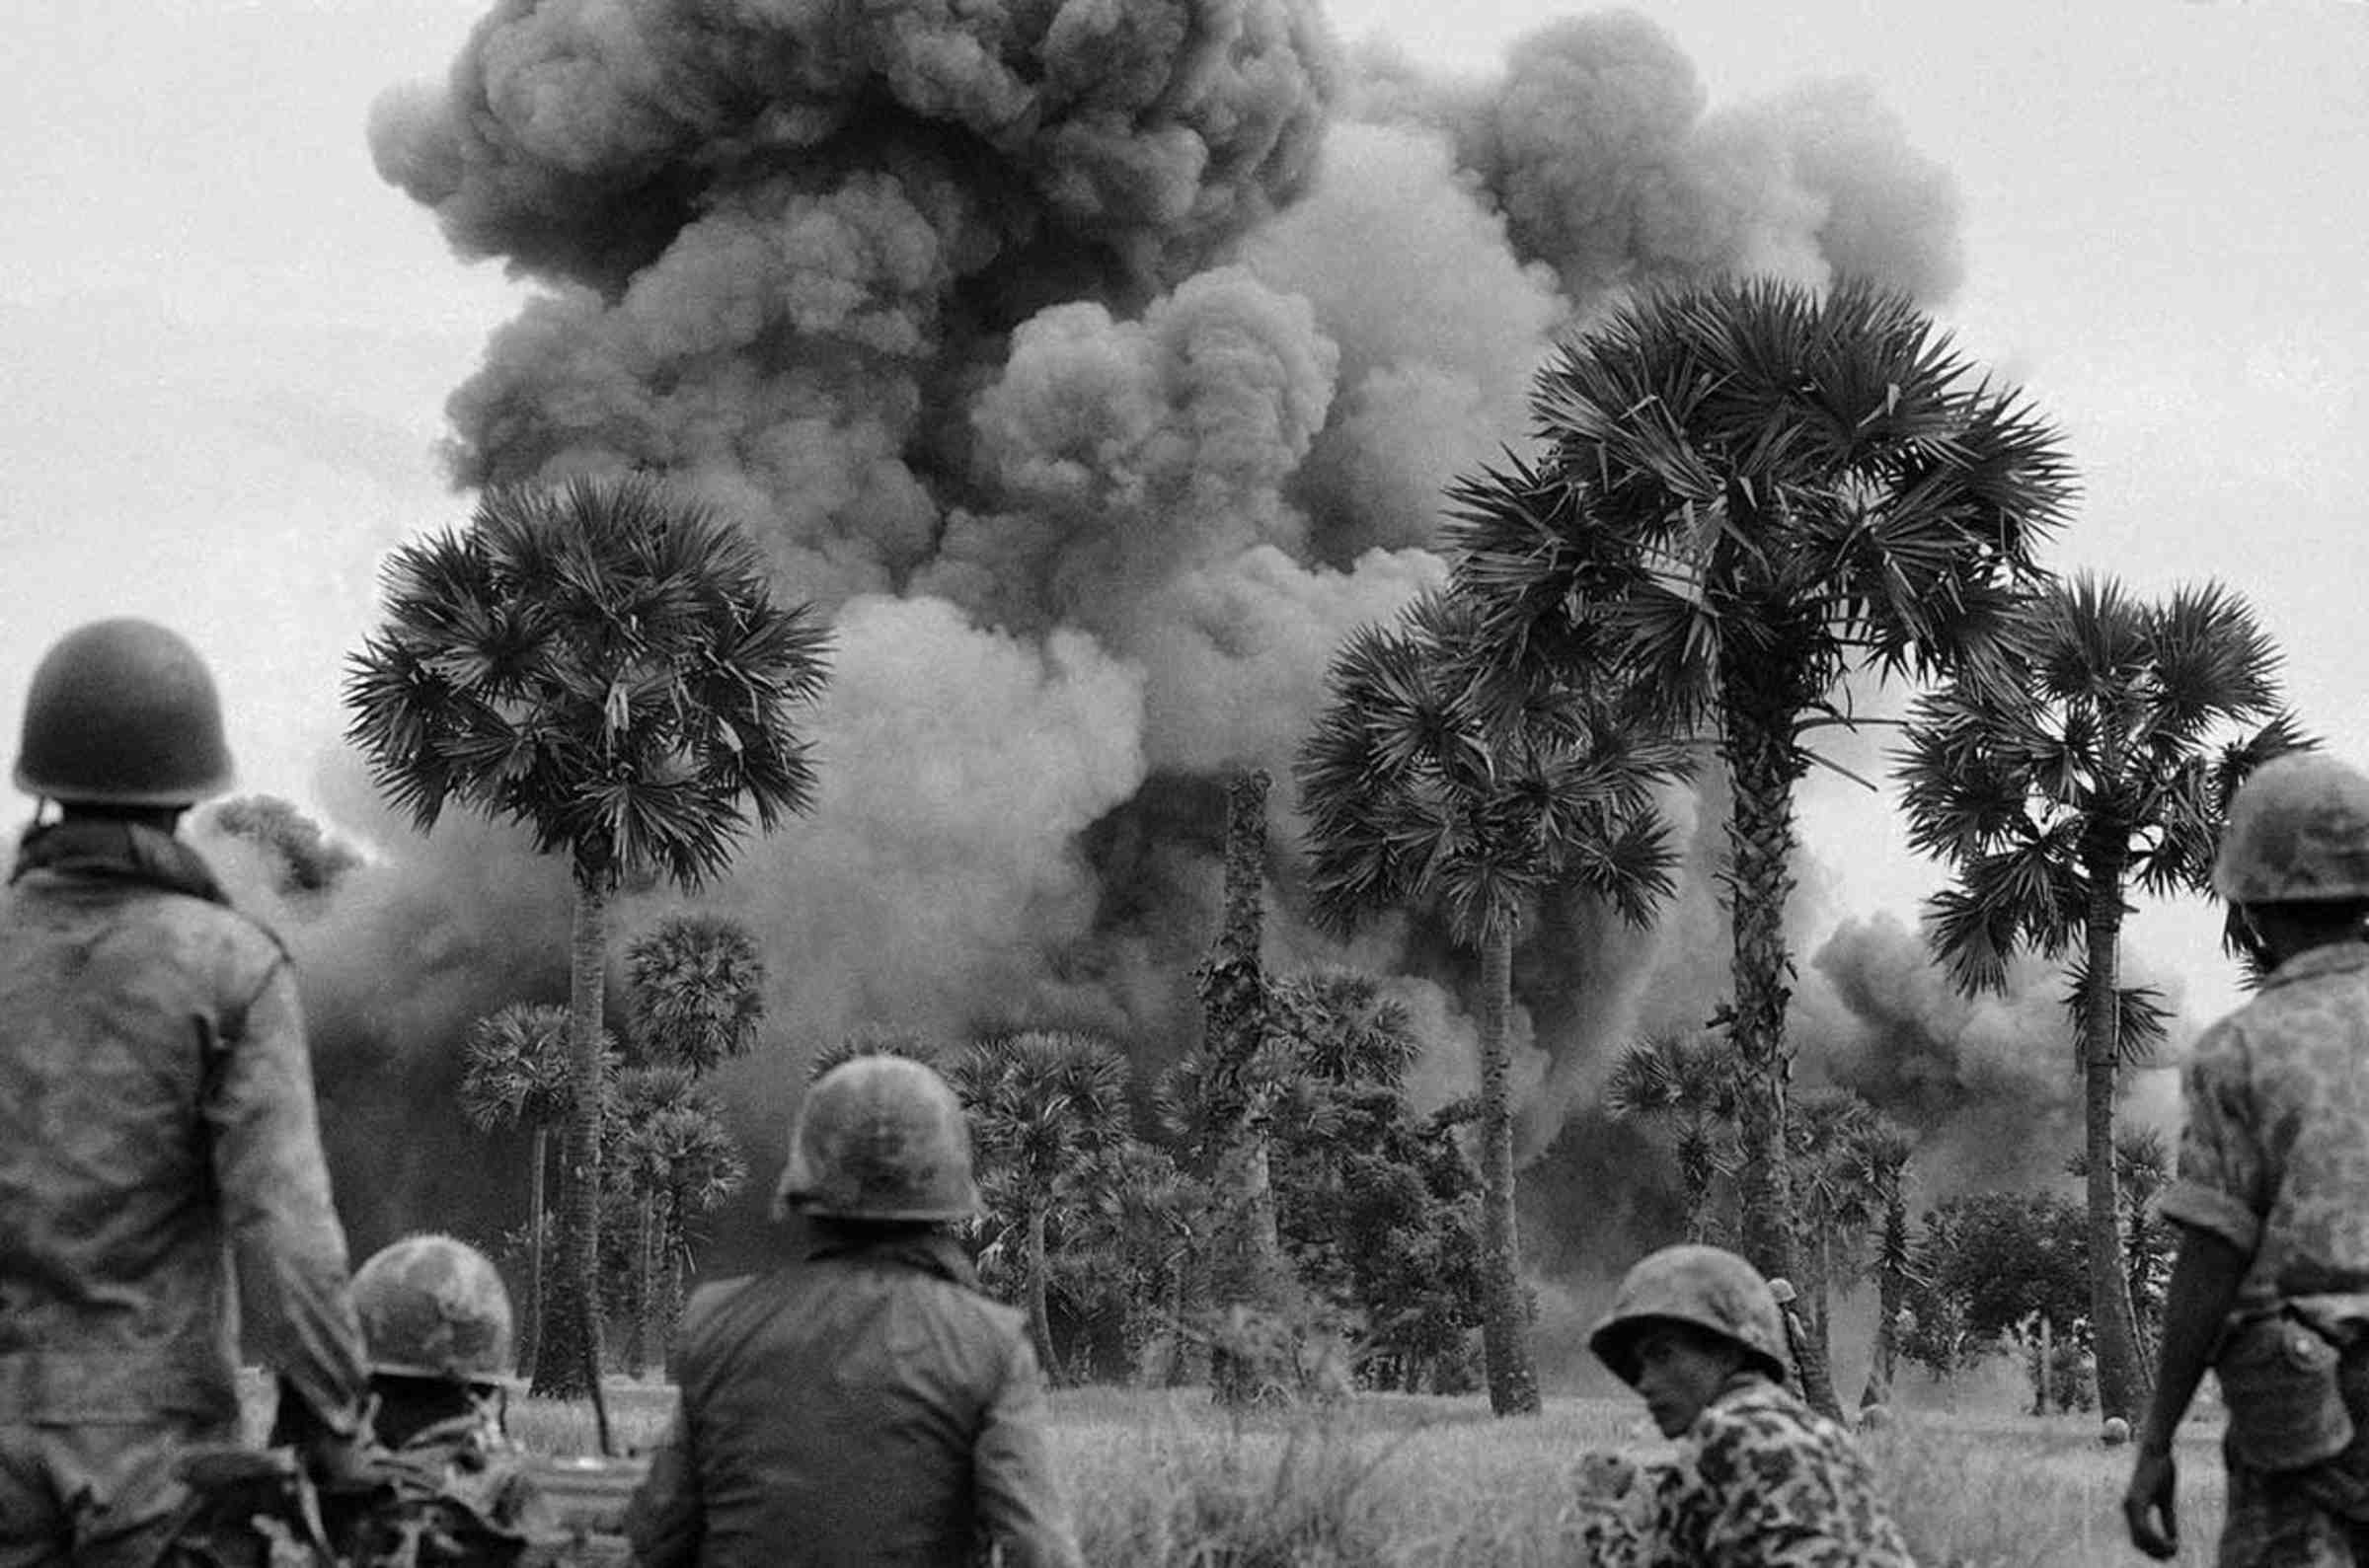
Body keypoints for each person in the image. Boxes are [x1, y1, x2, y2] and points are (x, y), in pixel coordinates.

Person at [0, 618, 370, 1567]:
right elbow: (283, 1222)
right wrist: (333, 1422)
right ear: (185, 797)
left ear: (42, 789)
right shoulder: (231, 965)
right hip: (153, 1454)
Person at [624, 1053, 1084, 1568]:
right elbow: (1042, 1551)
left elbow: (659, 1532)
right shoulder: (989, 1345)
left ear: (806, 1186)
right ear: (947, 1195)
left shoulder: (719, 1324)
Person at [2124, 751, 2369, 1565]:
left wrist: (2156, 1436)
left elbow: (2212, 1254)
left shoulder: (2242, 1049)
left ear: (2250, 905)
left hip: (2311, 1407)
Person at [1578, 1243, 1919, 1567]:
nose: (1645, 1382)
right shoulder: (1833, 1440)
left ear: (1727, 1353)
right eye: (1640, 1366)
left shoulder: (1716, 1441)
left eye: (1663, 1355)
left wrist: (1601, 1502)